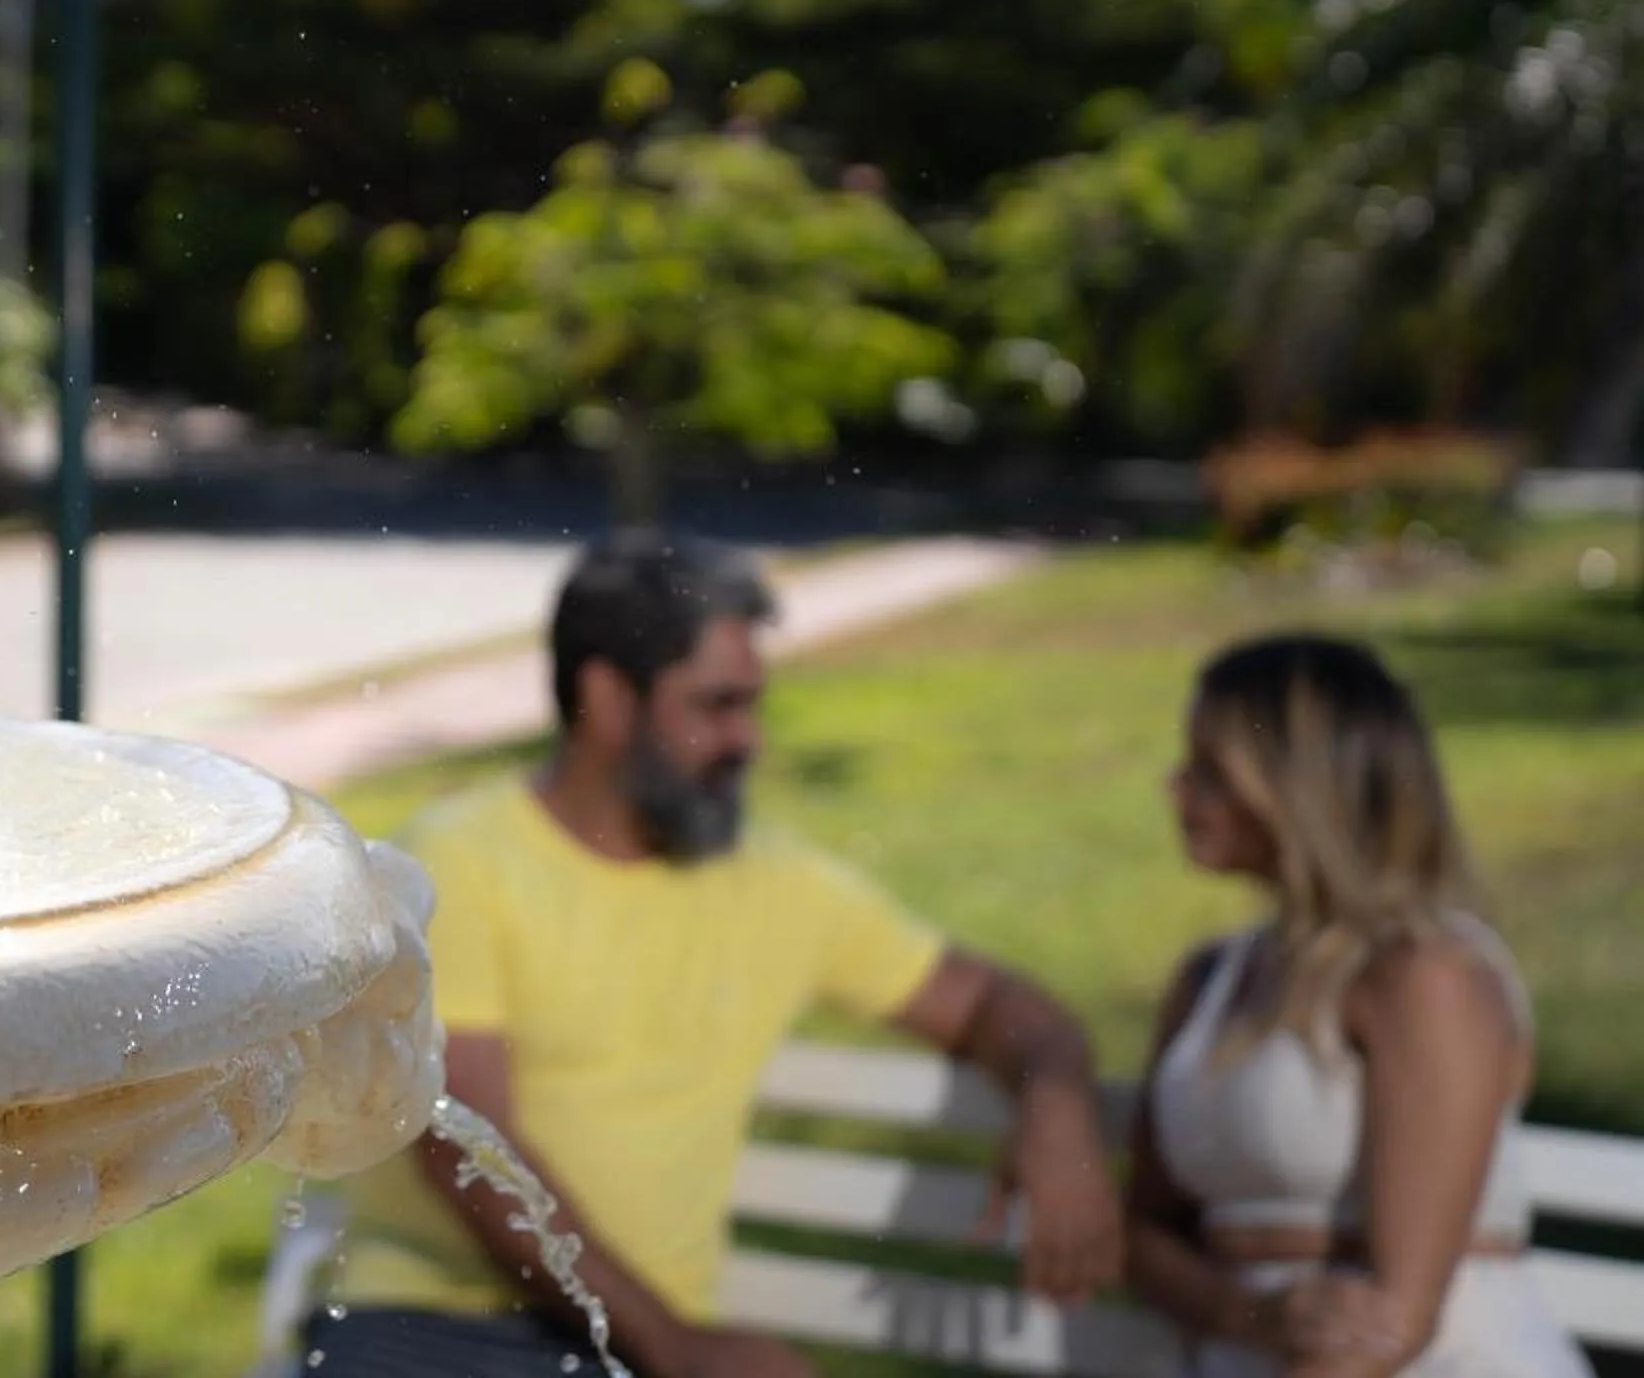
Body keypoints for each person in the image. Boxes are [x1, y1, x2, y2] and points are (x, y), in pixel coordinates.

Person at [300, 530, 1121, 1378]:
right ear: (608, 698)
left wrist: (1058, 1107)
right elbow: (469, 1153)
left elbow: (993, 1003)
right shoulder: (457, 864)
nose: (750, 741)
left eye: (751, 705)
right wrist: (677, 1349)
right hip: (433, 1328)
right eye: (716, 706)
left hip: (638, 1351)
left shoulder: (778, 884)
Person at [1125, 636, 1591, 1378]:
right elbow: (1146, 1232)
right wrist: (1241, 1314)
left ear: (1291, 789)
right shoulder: (1209, 979)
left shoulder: (1427, 976)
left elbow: (1395, 1323)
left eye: (1208, 772)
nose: (1174, 788)